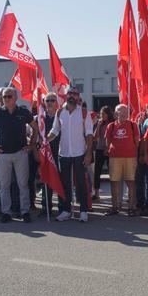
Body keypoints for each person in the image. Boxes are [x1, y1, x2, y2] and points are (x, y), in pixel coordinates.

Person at [0, 87, 38, 223]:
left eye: (9, 96)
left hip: (21, 153)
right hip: (3, 155)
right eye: (4, 97)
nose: (5, 99)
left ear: (15, 98)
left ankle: (25, 211)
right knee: (4, 185)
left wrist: (31, 145)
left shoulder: (24, 112)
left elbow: (35, 128)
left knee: (22, 184)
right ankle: (6, 212)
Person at [47, 86, 93, 222]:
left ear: (78, 97)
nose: (73, 96)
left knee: (81, 183)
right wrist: (45, 139)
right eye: (70, 93)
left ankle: (83, 211)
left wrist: (89, 153)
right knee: (65, 183)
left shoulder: (84, 113)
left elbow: (89, 134)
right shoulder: (60, 112)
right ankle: (66, 210)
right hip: (64, 154)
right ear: (66, 95)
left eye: (75, 94)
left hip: (79, 153)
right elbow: (54, 131)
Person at [105, 104, 140, 216]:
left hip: (130, 157)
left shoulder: (133, 125)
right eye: (120, 112)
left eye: (125, 112)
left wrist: (133, 152)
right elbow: (107, 141)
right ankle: (114, 207)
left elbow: (137, 141)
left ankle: (131, 208)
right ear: (116, 114)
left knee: (131, 182)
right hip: (115, 158)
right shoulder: (111, 126)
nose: (123, 114)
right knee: (114, 183)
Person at [38, 93, 61, 214]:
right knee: (46, 181)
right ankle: (46, 207)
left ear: (56, 102)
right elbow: (34, 135)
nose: (50, 102)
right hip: (45, 153)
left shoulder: (61, 116)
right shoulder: (40, 117)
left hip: (60, 153)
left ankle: (63, 208)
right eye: (47, 100)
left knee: (61, 181)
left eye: (52, 100)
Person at [91, 106, 112, 201]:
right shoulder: (100, 123)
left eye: (103, 114)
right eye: (100, 114)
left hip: (110, 150)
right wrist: (98, 125)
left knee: (112, 172)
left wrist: (108, 148)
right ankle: (96, 193)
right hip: (99, 149)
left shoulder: (112, 124)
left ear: (108, 114)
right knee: (97, 171)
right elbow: (95, 137)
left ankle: (114, 193)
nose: (101, 116)